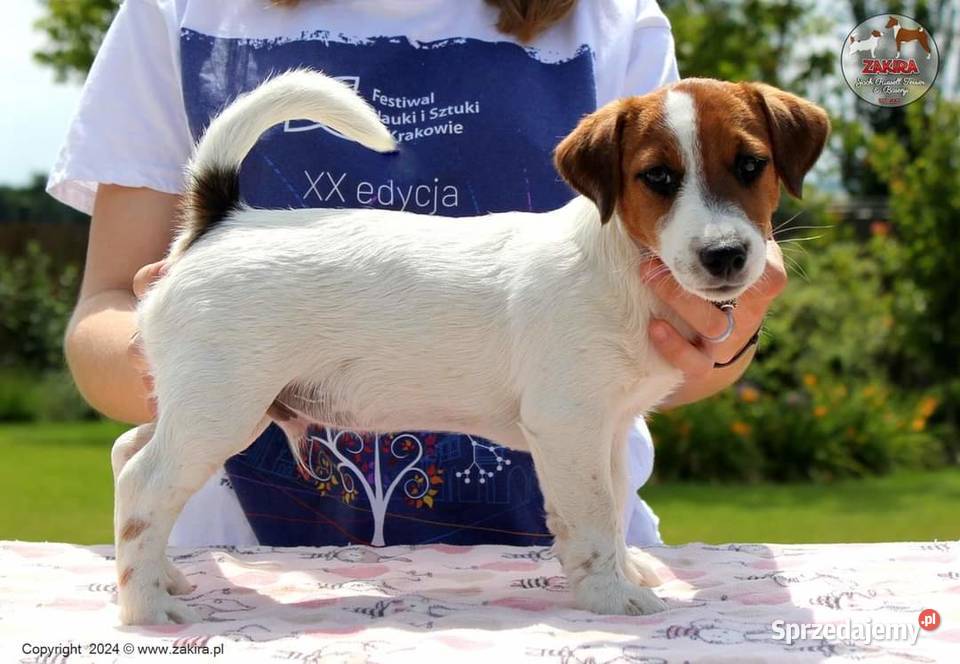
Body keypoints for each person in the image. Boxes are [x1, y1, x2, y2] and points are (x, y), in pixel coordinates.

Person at [50, 0, 785, 549]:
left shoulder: (613, 18)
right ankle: (143, 553)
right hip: (240, 570)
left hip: (544, 587)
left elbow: (685, 356)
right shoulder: (176, 11)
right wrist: (181, 350)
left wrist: (722, 334)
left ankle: (597, 559)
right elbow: (103, 309)